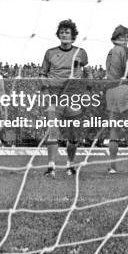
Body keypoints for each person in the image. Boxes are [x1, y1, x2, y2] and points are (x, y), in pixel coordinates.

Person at [40, 19, 89, 178]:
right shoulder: (49, 52)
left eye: (67, 32)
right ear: (58, 35)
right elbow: (42, 73)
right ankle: (51, 167)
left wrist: (87, 89)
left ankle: (70, 164)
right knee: (53, 131)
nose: (64, 34)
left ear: (73, 36)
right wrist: (45, 89)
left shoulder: (81, 52)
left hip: (73, 95)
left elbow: (88, 73)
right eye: (62, 32)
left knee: (73, 135)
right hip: (54, 94)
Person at [104, 25, 128, 174]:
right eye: (124, 36)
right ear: (119, 37)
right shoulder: (125, 50)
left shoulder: (110, 52)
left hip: (111, 91)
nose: (126, 39)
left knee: (114, 130)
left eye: (127, 37)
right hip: (124, 89)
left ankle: (112, 167)